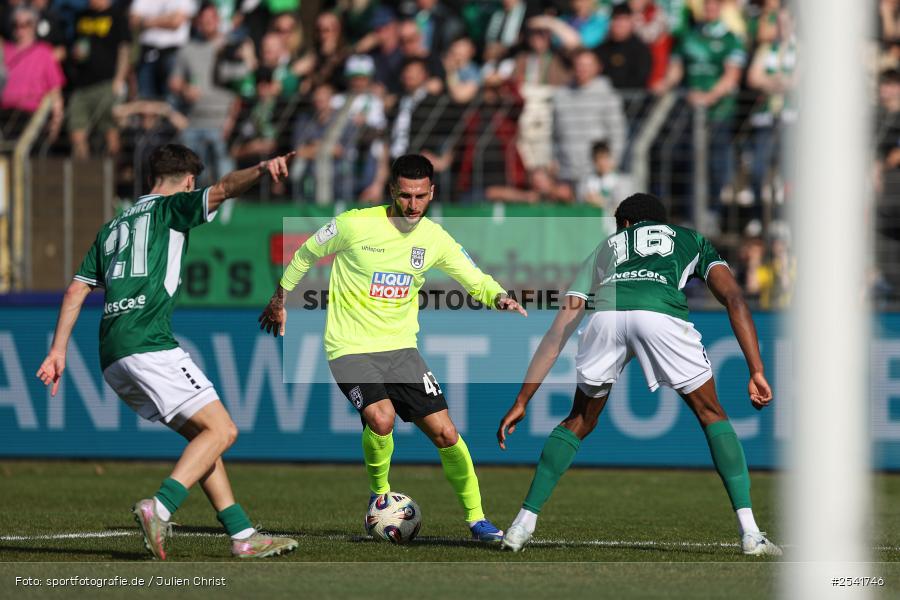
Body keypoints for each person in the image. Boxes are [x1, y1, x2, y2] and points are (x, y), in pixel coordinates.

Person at [36, 144, 298, 560]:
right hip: (148, 342)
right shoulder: (171, 209)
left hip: (112, 353)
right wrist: (264, 168)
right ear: (189, 181)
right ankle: (158, 507)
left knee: (204, 437)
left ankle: (242, 534)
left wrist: (57, 351)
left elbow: (76, 290)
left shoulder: (112, 226)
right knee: (223, 431)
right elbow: (227, 188)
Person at [258, 154, 527, 542]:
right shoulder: (354, 224)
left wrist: (498, 297)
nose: (412, 205)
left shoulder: (434, 238)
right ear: (391, 191)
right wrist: (280, 299)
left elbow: (472, 276)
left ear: (432, 193)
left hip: (401, 351)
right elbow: (305, 254)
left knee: (446, 433)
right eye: (405, 196)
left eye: (420, 196)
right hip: (349, 346)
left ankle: (477, 520)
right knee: (381, 419)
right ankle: (380, 496)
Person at [496, 193, 782, 557]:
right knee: (711, 414)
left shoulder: (606, 247)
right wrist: (755, 369)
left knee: (581, 419)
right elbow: (735, 299)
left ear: (626, 224)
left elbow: (560, 327)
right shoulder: (691, 239)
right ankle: (751, 534)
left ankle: (522, 524)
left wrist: (523, 399)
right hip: (660, 314)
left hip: (607, 317)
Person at [67, 0, 131, 159]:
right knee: (76, 133)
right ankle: (86, 175)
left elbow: (125, 49)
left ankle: (112, 176)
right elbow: (75, 44)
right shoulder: (80, 16)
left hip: (107, 83)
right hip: (81, 85)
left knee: (110, 132)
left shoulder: (117, 16)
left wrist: (119, 79)